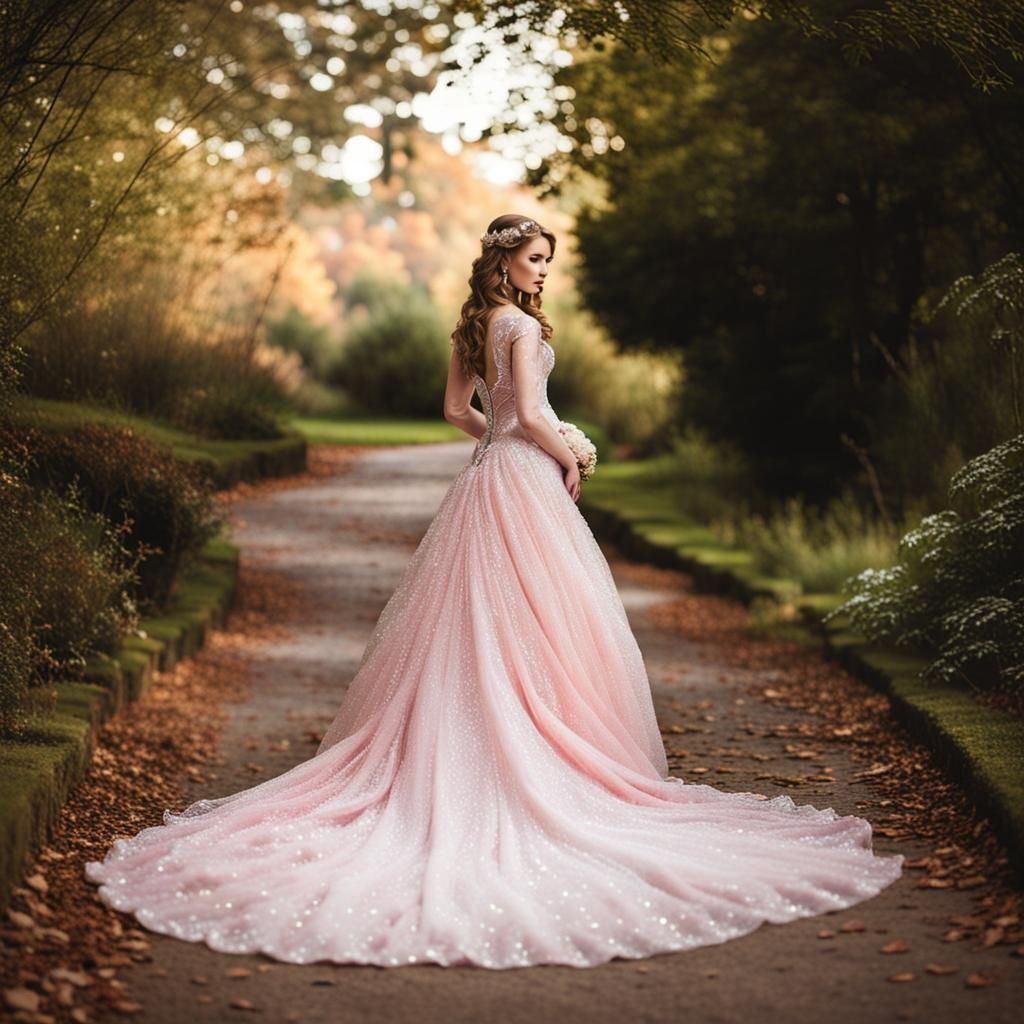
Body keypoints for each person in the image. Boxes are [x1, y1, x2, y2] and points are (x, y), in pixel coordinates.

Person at [85, 213, 903, 969]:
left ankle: (479, 740)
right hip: (524, 482)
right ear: (506, 260)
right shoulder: (515, 324)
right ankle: (528, 753)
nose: (544, 272)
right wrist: (566, 454)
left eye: (548, 261)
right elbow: (537, 414)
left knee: (476, 620)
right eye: (536, 258)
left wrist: (501, 440)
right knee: (539, 620)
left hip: (485, 481)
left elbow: (455, 409)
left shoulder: (474, 326)